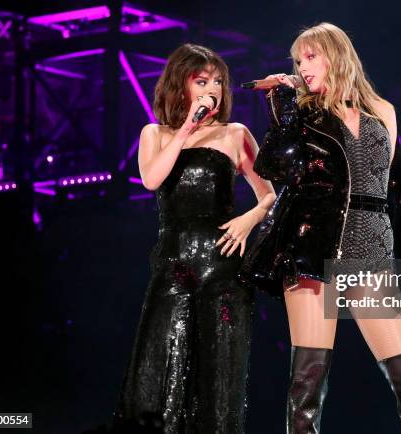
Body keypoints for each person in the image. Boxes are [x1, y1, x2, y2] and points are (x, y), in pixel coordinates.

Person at [238, 23, 401, 433]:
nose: (303, 66)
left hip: (370, 246)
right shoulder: (303, 113)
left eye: (311, 56)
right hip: (313, 246)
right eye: (298, 60)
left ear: (337, 55)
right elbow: (273, 167)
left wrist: (399, 256)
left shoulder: (383, 112)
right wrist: (284, 107)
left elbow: (397, 189)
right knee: (308, 385)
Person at [112, 43, 276, 433]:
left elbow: (269, 194)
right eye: (202, 81)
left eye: (218, 81)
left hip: (222, 268)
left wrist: (248, 220)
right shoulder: (155, 133)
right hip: (173, 267)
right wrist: (187, 127)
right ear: (179, 85)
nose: (213, 89)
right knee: (159, 376)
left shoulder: (235, 134)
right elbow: (152, 178)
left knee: (220, 381)